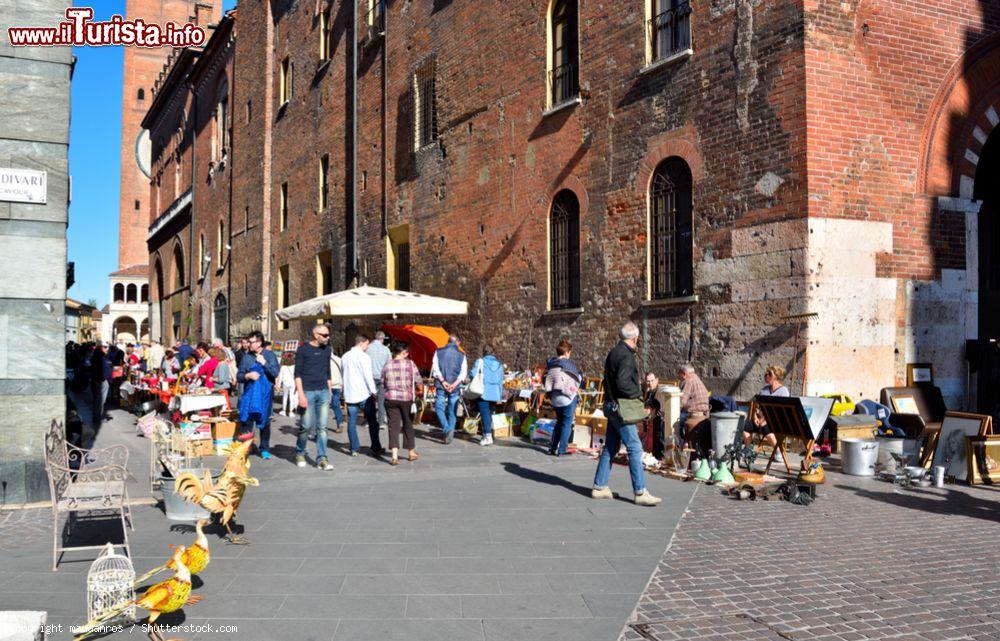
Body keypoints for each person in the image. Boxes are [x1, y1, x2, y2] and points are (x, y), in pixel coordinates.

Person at [592, 322, 662, 506]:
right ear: (635, 338)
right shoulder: (626, 356)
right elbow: (623, 383)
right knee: (635, 447)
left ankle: (599, 487)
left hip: (610, 405)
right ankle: (640, 491)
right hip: (621, 408)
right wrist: (638, 393)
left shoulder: (614, 352)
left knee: (611, 447)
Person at [294, 324, 334, 471]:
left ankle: (322, 458)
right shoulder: (303, 350)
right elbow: (297, 374)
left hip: (323, 391)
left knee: (322, 427)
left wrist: (329, 390)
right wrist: (301, 395)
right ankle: (300, 452)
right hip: (307, 392)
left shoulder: (327, 350)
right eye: (324, 335)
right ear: (316, 335)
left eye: (328, 335)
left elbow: (327, 371)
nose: (327, 337)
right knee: (305, 425)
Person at [236, 330, 280, 459]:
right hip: (249, 394)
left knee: (264, 421)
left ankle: (264, 448)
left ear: (259, 342)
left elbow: (275, 373)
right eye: (248, 342)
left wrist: (264, 363)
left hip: (265, 394)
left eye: (251, 342)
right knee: (247, 419)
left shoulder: (270, 355)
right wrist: (248, 375)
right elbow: (239, 376)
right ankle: (247, 446)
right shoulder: (247, 357)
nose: (249, 344)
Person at [381, 341, 421, 465]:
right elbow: (418, 380)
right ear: (403, 352)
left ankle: (394, 456)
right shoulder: (410, 364)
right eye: (407, 352)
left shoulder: (387, 365)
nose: (408, 354)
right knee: (408, 424)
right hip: (406, 398)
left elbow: (383, 383)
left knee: (393, 426)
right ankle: (411, 452)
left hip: (390, 398)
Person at [342, 334, 381, 457]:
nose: (367, 347)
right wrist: (374, 392)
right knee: (372, 421)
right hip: (363, 393)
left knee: (351, 422)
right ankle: (376, 446)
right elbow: (368, 376)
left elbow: (344, 374)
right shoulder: (364, 357)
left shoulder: (345, 356)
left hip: (350, 393)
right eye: (367, 344)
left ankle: (354, 448)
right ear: (361, 343)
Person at [544, 340, 583, 456]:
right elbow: (578, 379)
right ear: (567, 353)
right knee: (566, 423)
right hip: (567, 398)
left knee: (559, 422)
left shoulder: (550, 365)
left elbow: (546, 380)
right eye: (570, 352)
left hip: (555, 399)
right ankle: (562, 449)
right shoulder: (568, 365)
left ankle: (552, 447)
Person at [743, 365, 789, 448]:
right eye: (766, 374)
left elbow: (781, 412)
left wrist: (766, 421)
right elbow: (757, 407)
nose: (766, 375)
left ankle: (778, 452)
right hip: (761, 420)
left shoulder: (783, 391)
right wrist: (755, 417)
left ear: (775, 376)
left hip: (776, 422)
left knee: (765, 427)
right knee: (744, 425)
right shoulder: (764, 390)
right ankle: (748, 450)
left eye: (769, 374)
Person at [432, 335, 467, 444]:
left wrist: (443, 382)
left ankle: (447, 428)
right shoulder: (462, 355)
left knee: (439, 407)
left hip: (441, 385)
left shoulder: (438, 352)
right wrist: (454, 384)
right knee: (452, 410)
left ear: (448, 341)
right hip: (455, 386)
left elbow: (436, 369)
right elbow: (463, 373)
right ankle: (449, 430)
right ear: (457, 342)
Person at [469, 345, 505, 446]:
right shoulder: (499, 364)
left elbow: (472, 374)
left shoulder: (480, 362)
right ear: (493, 352)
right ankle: (486, 435)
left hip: (483, 391)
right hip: (495, 392)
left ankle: (488, 436)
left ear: (484, 352)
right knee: (488, 414)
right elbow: (501, 379)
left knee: (484, 414)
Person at [677, 364, 711, 458]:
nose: (680, 378)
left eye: (680, 376)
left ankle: (678, 454)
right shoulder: (698, 380)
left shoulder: (688, 381)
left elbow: (681, 401)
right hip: (705, 416)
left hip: (695, 416)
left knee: (674, 425)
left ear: (684, 374)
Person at [368, 331, 392, 429]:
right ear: (382, 339)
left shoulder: (368, 348)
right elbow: (389, 364)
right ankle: (381, 421)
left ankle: (370, 420)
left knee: (370, 399)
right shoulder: (386, 349)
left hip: (370, 376)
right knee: (381, 400)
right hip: (382, 377)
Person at [643, 372, 666, 460]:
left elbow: (661, 409)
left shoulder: (659, 391)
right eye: (648, 381)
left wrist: (652, 415)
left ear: (657, 380)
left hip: (659, 420)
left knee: (659, 440)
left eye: (652, 381)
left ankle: (660, 457)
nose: (650, 383)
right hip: (651, 420)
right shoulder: (649, 391)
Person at [329, 348, 345, 433]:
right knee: (336, 404)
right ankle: (340, 423)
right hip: (338, 385)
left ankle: (320, 427)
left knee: (323, 406)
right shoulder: (339, 359)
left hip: (327, 385)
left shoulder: (323, 360)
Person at [277, 352, 296, 416]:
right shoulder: (294, 367)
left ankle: (284, 411)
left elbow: (280, 376)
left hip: (285, 383)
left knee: (285, 396)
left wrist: (278, 385)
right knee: (292, 397)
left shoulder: (283, 367)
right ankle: (291, 412)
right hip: (293, 383)